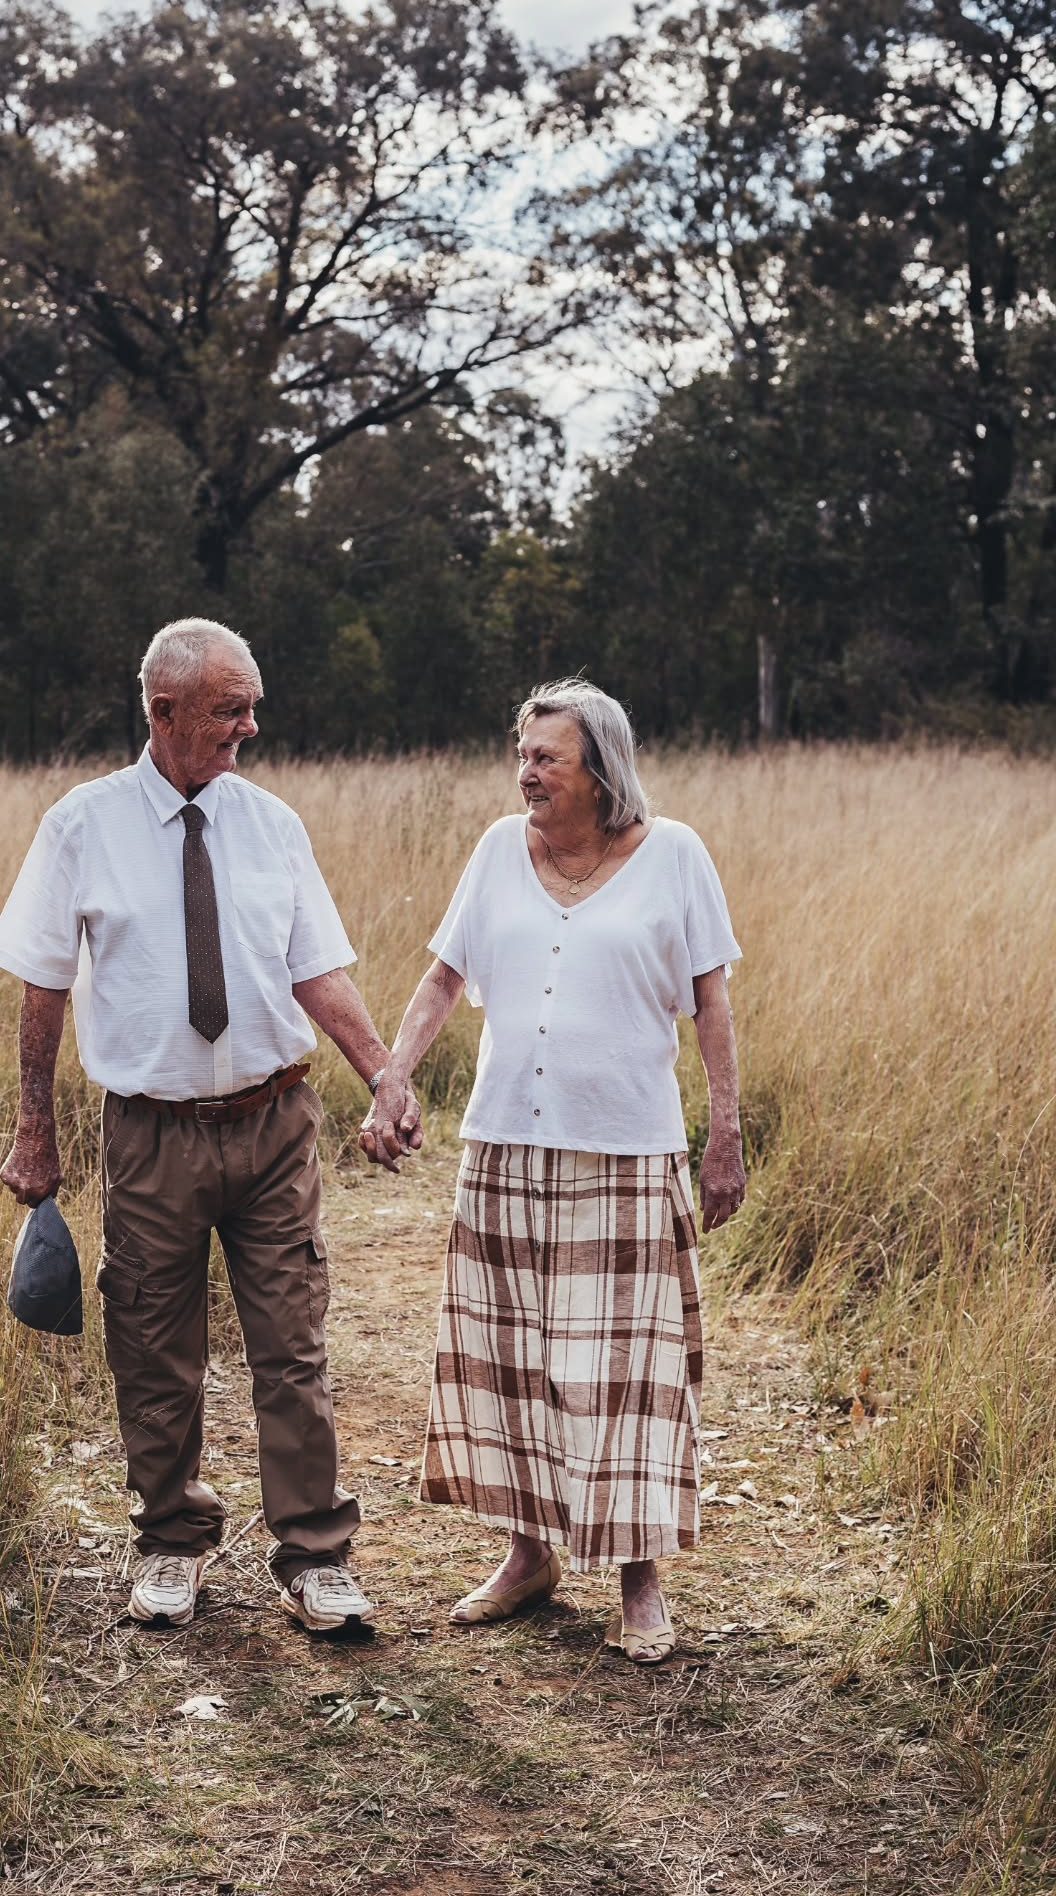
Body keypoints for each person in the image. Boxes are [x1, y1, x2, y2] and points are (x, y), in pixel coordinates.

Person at [0, 617, 419, 1634]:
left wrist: (384, 1073)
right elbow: (43, 987)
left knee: (293, 1344)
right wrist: (33, 1129)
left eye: (253, 705)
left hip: (275, 1128)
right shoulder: (80, 826)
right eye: (232, 709)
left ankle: (314, 1555)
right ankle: (172, 1542)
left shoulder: (273, 826)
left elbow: (316, 969)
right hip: (150, 1134)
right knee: (152, 1346)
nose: (251, 728)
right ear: (164, 711)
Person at [361, 678, 744, 1662]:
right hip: (503, 1146)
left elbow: (710, 1002)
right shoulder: (497, 850)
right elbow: (446, 976)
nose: (524, 771)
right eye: (521, 753)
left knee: (624, 1374)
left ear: (599, 771)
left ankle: (640, 1582)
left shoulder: (675, 855)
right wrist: (391, 1078)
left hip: (623, 1151)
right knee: (513, 1360)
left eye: (546, 758)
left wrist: (726, 1132)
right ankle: (527, 1555)